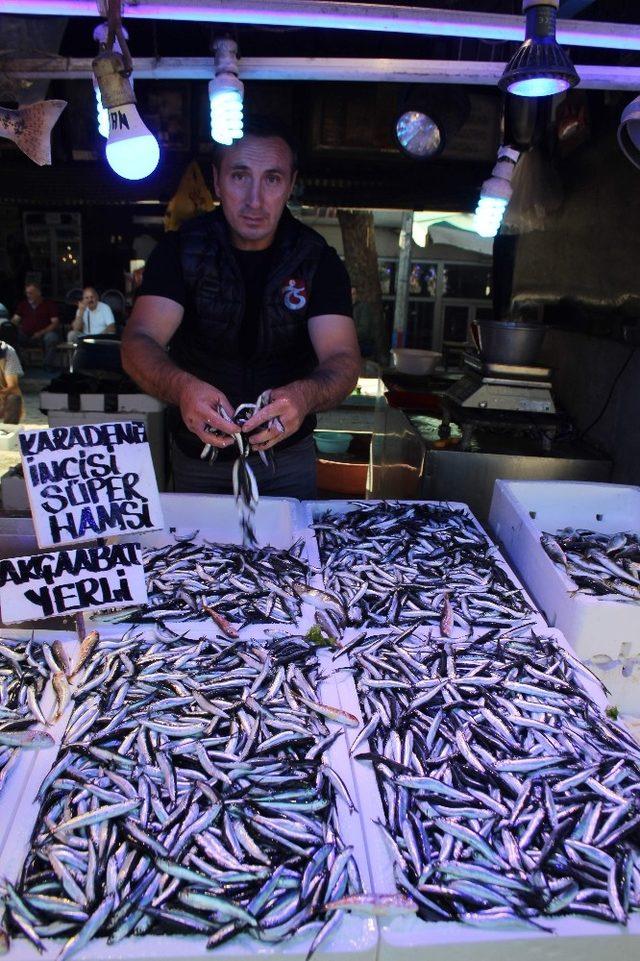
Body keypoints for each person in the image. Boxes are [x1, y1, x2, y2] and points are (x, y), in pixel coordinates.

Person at [122, 115, 361, 499]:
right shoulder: (181, 250)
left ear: (290, 185)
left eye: (272, 179)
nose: (255, 200)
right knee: (196, 557)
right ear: (217, 180)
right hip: (198, 459)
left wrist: (304, 396)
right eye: (239, 176)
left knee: (289, 558)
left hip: (288, 460)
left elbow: (343, 359)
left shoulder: (317, 259)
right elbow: (139, 340)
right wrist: (182, 387)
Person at [11, 282, 61, 371]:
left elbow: (55, 322)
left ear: (38, 293)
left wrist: (41, 332)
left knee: (52, 337)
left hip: (44, 335)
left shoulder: (48, 304)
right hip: (26, 335)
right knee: (12, 336)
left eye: (31, 293)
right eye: (27, 293)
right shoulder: (23, 304)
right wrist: (14, 327)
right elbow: (15, 320)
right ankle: (20, 364)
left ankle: (47, 365)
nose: (28, 295)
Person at [0, 341, 24, 423]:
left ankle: (10, 429)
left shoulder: (8, 352)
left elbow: (12, 386)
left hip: (3, 396)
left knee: (13, 398)